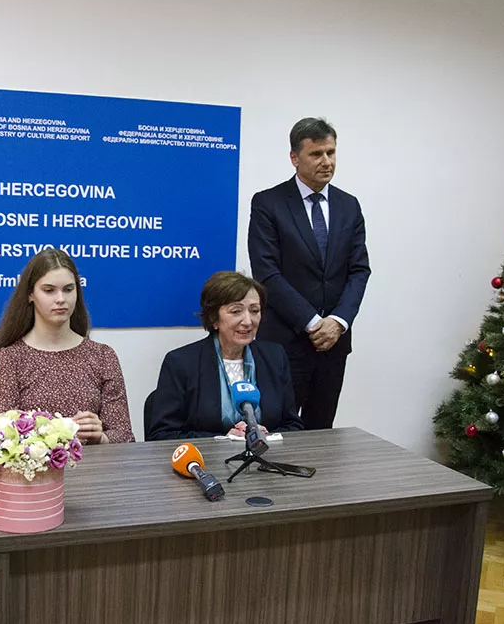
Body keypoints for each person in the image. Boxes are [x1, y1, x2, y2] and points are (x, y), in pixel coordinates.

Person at [248, 117, 371, 430]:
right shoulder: (268, 203)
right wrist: (314, 323)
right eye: (316, 154)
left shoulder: (349, 205)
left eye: (331, 152)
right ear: (294, 157)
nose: (326, 161)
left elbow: (359, 270)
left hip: (334, 343)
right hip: (286, 342)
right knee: (278, 430)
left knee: (321, 432)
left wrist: (338, 322)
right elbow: (267, 273)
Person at [0, 249, 135, 445]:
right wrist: (63, 432)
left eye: (68, 289)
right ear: (30, 294)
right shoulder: (7, 360)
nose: (61, 299)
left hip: (93, 464)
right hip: (34, 465)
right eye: (49, 290)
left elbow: (124, 436)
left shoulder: (102, 356)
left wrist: (101, 437)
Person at [147, 271, 303, 440]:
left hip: (266, 455)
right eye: (236, 311)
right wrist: (222, 440)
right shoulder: (181, 363)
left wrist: (268, 435)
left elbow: (293, 425)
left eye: (254, 310)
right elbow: (162, 435)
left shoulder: (275, 357)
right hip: (207, 456)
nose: (248, 321)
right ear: (214, 318)